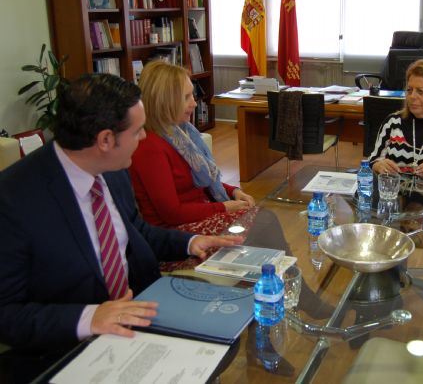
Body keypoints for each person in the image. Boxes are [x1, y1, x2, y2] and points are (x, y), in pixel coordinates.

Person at [0, 73, 243, 353]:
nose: (144, 136)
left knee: (230, 339)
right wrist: (90, 317)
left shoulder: (112, 169)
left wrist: (188, 242)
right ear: (105, 140)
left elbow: (134, 230)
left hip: (145, 306)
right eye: (137, 130)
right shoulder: (13, 201)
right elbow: (6, 314)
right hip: (71, 346)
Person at [129, 60, 255, 235]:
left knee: (260, 222)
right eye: (186, 97)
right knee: (259, 225)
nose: (194, 104)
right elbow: (172, 213)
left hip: (198, 215)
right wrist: (224, 207)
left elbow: (202, 182)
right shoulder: (149, 146)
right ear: (165, 101)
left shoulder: (181, 133)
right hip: (174, 232)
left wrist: (233, 191)